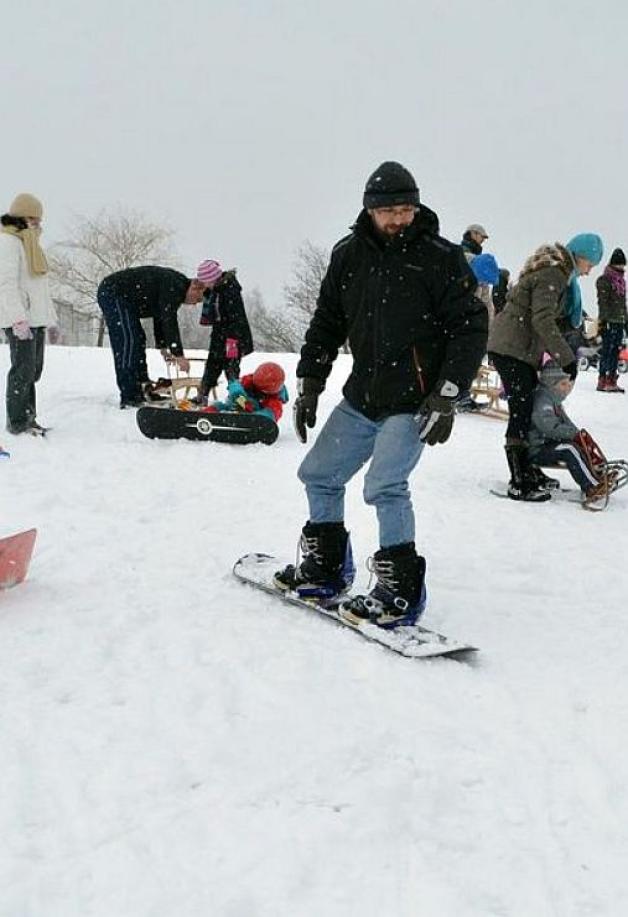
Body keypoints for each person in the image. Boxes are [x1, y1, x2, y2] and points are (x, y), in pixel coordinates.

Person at [274, 161, 488, 629]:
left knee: (385, 486)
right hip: (363, 395)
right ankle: (327, 568)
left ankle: (400, 590)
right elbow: (327, 319)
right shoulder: (348, 254)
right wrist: (311, 381)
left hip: (414, 399)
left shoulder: (438, 256)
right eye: (389, 210)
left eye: (406, 209)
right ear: (369, 209)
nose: (398, 218)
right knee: (318, 473)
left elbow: (470, 327)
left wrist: (446, 394)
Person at [488, 233, 604, 501]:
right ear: (581, 256)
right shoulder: (554, 274)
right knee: (521, 408)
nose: (589, 272)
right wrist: (567, 358)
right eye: (591, 264)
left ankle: (529, 469)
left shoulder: (559, 275)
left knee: (525, 407)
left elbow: (547, 319)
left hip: (520, 349)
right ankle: (519, 479)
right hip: (511, 347)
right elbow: (542, 320)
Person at [96, 266, 204, 408]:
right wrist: (178, 354)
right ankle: (130, 395)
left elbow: (160, 317)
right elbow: (168, 320)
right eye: (198, 299)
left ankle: (143, 386)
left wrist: (163, 346)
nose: (195, 304)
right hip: (113, 292)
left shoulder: (175, 289)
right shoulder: (174, 286)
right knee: (128, 341)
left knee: (138, 338)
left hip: (126, 300)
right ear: (195, 287)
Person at [0, 193, 59, 436]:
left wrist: (52, 321)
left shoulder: (30, 244)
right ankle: (18, 423)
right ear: (22, 217)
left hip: (36, 319)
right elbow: (5, 283)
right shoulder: (8, 242)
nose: (38, 223)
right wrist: (17, 318)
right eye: (34, 218)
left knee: (34, 371)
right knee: (22, 370)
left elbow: (40, 287)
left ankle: (29, 417)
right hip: (20, 319)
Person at [527, 363, 612, 502]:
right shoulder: (543, 400)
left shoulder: (553, 400)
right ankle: (591, 485)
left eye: (569, 384)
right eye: (563, 384)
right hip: (537, 448)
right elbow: (548, 427)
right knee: (569, 449)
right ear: (551, 383)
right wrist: (572, 435)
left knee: (579, 444)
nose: (567, 388)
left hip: (548, 443)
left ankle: (598, 473)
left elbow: (567, 424)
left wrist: (578, 435)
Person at [197, 260, 253, 400]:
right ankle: (202, 394)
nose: (205, 285)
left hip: (233, 336)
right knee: (212, 364)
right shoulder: (215, 291)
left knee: (231, 367)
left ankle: (238, 398)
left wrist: (232, 341)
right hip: (219, 333)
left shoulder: (230, 290)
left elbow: (236, 317)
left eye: (206, 281)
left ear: (213, 278)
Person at [204, 361, 288, 422]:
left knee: (265, 413)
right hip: (235, 408)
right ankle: (204, 415)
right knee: (220, 406)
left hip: (253, 416)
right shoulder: (247, 381)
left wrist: (251, 417)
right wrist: (242, 400)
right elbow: (234, 386)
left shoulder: (275, 400)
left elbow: (271, 415)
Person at [596, 247, 627, 393]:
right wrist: (603, 321)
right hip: (609, 321)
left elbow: (622, 304)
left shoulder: (621, 282)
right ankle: (602, 379)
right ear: (613, 264)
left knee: (616, 351)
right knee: (607, 350)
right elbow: (603, 302)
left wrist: (625, 321)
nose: (622, 267)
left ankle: (612, 379)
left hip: (619, 321)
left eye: (623, 265)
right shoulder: (604, 280)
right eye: (619, 264)